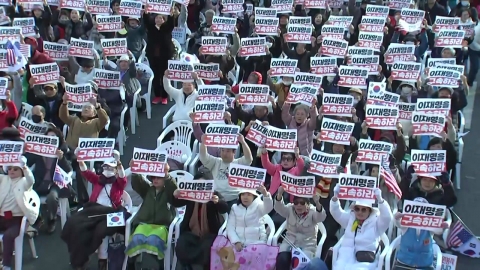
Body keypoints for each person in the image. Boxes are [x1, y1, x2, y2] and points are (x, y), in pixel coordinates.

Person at [61, 157, 128, 270]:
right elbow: (86, 173)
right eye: (105, 167)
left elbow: (123, 179)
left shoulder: (118, 183)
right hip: (93, 209)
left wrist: (120, 166)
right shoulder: (98, 180)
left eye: (111, 168)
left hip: (110, 212)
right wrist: (81, 162)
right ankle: (80, 259)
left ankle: (102, 262)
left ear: (116, 171)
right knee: (75, 225)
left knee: (100, 232)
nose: (108, 169)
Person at [125, 161, 180, 266]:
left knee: (155, 241)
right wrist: (135, 170)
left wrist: (167, 174)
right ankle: (131, 265)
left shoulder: (168, 191)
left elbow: (174, 190)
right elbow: (138, 183)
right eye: (153, 177)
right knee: (136, 239)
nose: (155, 179)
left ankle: (161, 265)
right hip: (144, 223)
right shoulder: (148, 189)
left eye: (159, 177)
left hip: (161, 226)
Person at [174, 169, 229, 270]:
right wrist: (176, 195)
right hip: (192, 232)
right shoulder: (190, 194)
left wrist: (217, 202)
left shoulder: (214, 194)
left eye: (203, 184)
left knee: (206, 247)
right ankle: (187, 266)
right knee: (182, 243)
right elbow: (176, 203)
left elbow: (225, 208)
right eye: (198, 184)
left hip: (210, 233)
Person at [330, 186, 393, 270]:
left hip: (365, 262)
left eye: (363, 210)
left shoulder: (376, 221)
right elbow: (337, 213)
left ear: (369, 211)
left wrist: (380, 200)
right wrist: (335, 197)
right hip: (345, 258)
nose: (360, 212)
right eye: (357, 209)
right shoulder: (351, 218)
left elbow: (387, 218)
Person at [26, 127, 72, 233]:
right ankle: (37, 219)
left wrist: (61, 158)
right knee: (25, 195)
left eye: (53, 137)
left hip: (55, 183)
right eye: (48, 137)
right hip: (39, 182)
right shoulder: (37, 151)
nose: (50, 139)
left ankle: (52, 220)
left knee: (52, 197)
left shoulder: (62, 151)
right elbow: (25, 160)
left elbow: (68, 169)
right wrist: (26, 148)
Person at [0, 156, 39, 270]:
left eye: (16, 169)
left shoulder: (24, 182)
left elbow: (31, 180)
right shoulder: (3, 179)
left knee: (8, 236)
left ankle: (6, 265)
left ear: (21, 171)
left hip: (16, 219)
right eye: (10, 168)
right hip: (1, 216)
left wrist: (25, 168)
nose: (12, 171)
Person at [274, 186, 327, 270]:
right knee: (282, 260)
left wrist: (317, 203)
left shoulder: (313, 211)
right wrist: (279, 194)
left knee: (302, 265)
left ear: (308, 204)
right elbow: (278, 208)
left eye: (302, 202)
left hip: (307, 246)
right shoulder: (289, 209)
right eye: (296, 202)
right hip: (289, 244)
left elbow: (321, 217)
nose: (299, 205)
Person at [392, 197, 450, 270]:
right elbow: (398, 224)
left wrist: (443, 226)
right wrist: (397, 218)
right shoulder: (406, 224)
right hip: (404, 263)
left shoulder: (430, 225)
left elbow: (438, 231)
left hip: (425, 264)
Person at [199, 134, 253, 207]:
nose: (224, 153)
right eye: (222, 150)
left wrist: (243, 142)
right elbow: (203, 157)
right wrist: (203, 143)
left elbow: (248, 159)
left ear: (234, 152)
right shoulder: (215, 162)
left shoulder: (238, 163)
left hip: (234, 198)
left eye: (228, 151)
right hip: (217, 198)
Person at [58, 82, 109, 150]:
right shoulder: (74, 119)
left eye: (89, 108)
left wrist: (97, 106)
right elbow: (63, 116)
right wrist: (64, 103)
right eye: (84, 107)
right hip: (70, 150)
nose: (86, 109)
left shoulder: (96, 122)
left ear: (94, 113)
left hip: (86, 152)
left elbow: (104, 119)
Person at [144, 10, 175, 105]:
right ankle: (157, 95)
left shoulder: (167, 28)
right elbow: (146, 21)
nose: (158, 19)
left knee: (164, 76)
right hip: (153, 55)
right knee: (155, 76)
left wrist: (171, 14)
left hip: (165, 56)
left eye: (160, 18)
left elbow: (171, 23)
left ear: (163, 20)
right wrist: (146, 12)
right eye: (156, 18)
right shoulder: (151, 28)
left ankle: (165, 96)